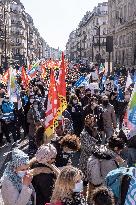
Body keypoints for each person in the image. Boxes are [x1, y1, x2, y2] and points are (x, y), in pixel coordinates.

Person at [87, 135, 125, 199]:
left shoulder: (101, 150)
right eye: (120, 150)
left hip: (92, 182)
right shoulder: (110, 161)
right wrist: (122, 163)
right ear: (115, 148)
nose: (120, 152)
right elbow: (115, 175)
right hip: (102, 187)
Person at [79, 114, 100, 198]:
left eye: (92, 121)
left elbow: (99, 144)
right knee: (84, 180)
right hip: (86, 160)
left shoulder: (95, 131)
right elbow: (87, 148)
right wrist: (94, 140)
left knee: (93, 179)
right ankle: (84, 197)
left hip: (95, 160)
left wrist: (95, 135)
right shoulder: (83, 133)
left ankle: (91, 198)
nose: (91, 123)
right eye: (89, 121)